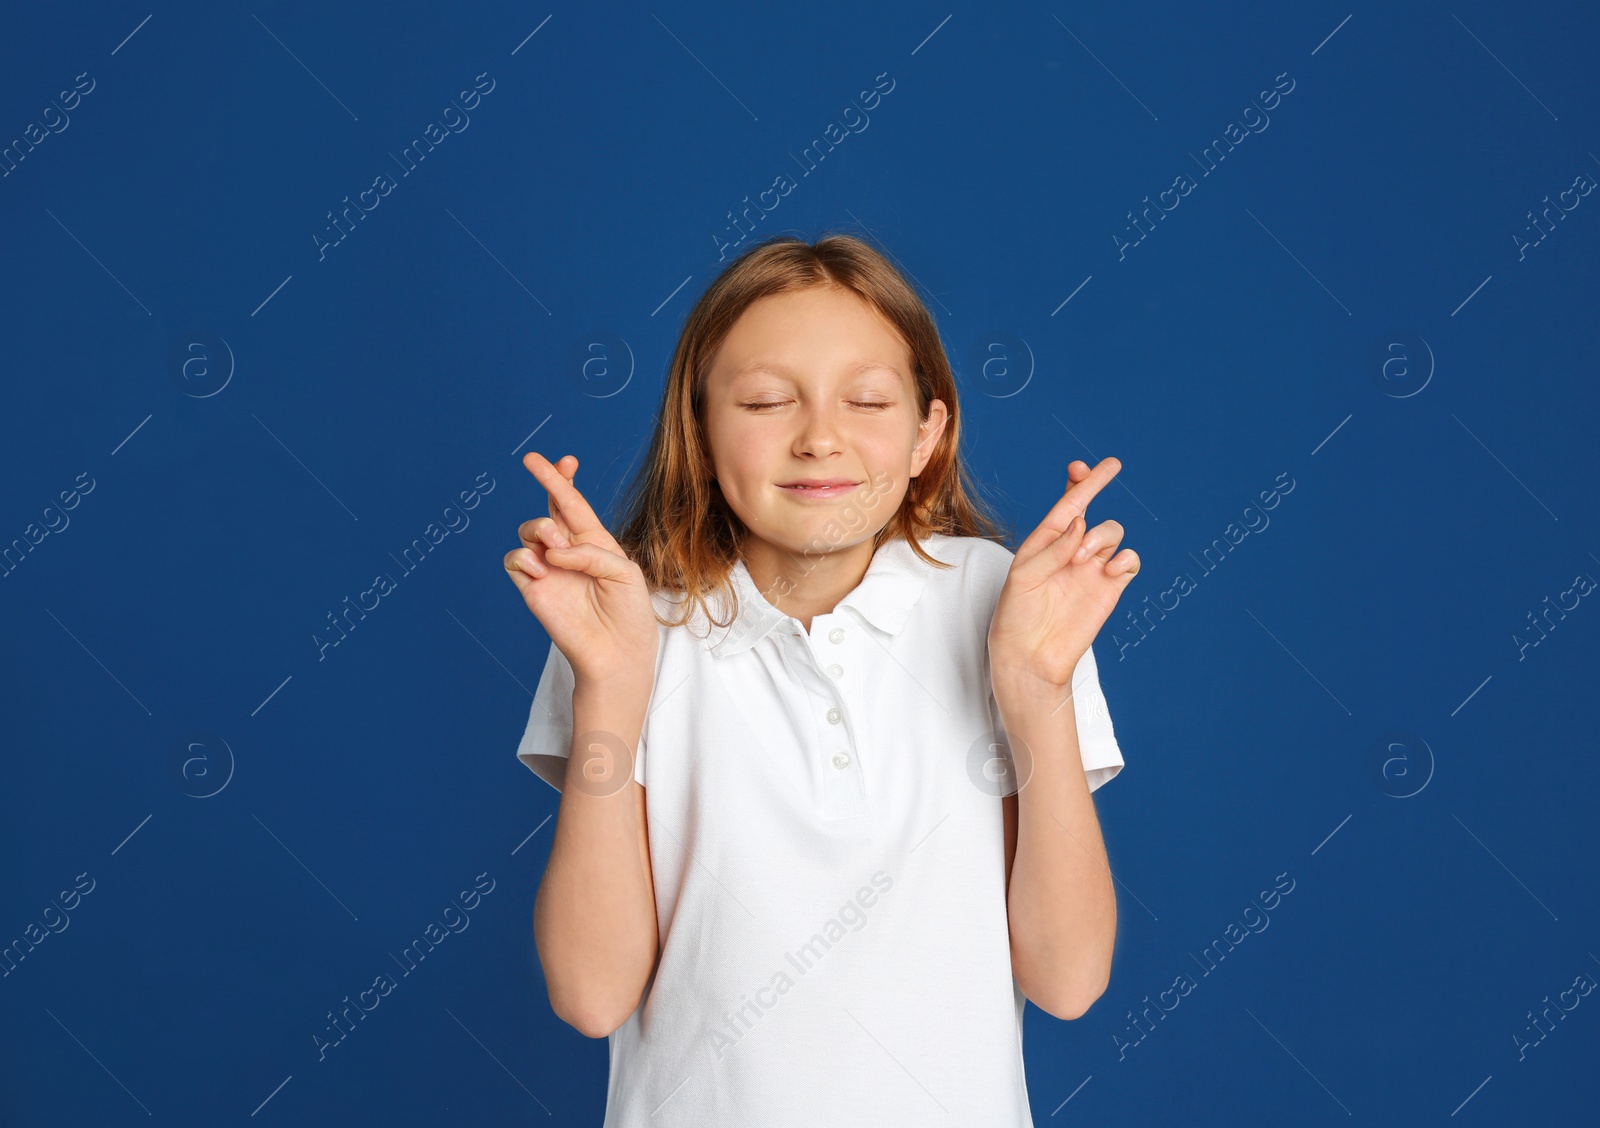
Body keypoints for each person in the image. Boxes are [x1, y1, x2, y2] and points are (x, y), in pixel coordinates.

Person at [502, 232, 1141, 1126]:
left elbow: (1069, 979)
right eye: (766, 400)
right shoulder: (628, 619)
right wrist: (609, 684)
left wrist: (1035, 688)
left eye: (869, 400)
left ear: (929, 432)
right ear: (699, 426)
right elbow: (590, 994)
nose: (820, 438)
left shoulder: (1008, 603)